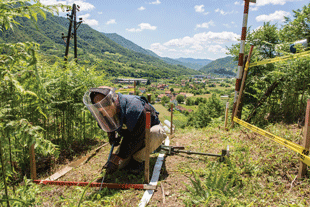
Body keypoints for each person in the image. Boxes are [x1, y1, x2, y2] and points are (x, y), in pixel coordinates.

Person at [83, 86, 167, 174]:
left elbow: (137, 138)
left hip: (147, 129)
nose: (104, 114)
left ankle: (138, 161)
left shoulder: (135, 109)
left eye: (106, 110)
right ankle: (133, 156)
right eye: (101, 111)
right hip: (130, 134)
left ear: (114, 102)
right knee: (118, 166)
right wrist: (111, 135)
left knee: (155, 133)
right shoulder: (106, 110)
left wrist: (120, 156)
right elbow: (109, 124)